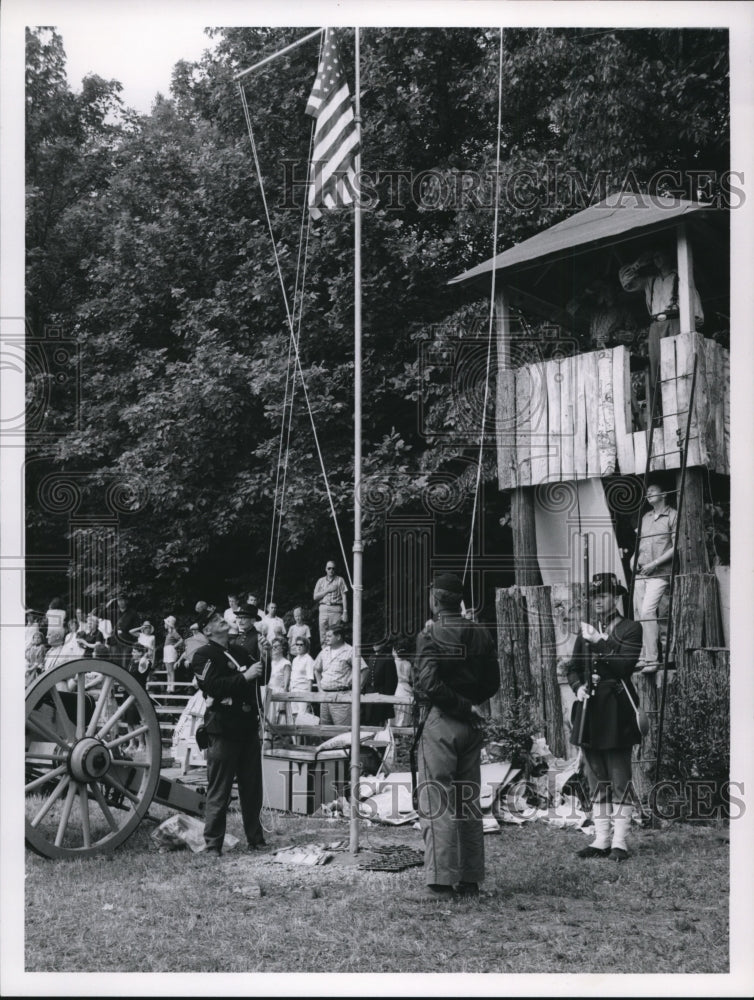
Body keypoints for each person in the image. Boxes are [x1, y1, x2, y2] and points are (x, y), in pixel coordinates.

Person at [412, 573, 500, 900]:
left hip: (444, 719)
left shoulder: (429, 634)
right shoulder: (480, 632)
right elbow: (492, 682)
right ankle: (470, 880)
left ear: (435, 599)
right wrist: (473, 704)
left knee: (437, 800)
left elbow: (429, 685)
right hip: (471, 724)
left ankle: (439, 883)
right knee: (468, 802)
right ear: (458, 601)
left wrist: (462, 705)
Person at [567, 574, 643, 862]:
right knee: (595, 776)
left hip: (617, 708)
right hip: (590, 709)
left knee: (619, 776)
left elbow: (624, 666)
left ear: (616, 598)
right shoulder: (586, 630)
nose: (598, 600)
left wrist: (600, 643)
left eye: (604, 595)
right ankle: (601, 840)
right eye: (594, 596)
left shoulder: (630, 628)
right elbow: (573, 668)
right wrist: (578, 687)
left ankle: (620, 842)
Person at [191, 607, 266, 856]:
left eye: (219, 616)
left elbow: (261, 678)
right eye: (214, 620)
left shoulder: (239, 650)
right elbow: (213, 686)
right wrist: (244, 677)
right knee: (219, 790)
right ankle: (213, 845)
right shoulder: (203, 655)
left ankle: (256, 838)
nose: (221, 620)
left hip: (246, 725)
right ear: (207, 630)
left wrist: (265, 657)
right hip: (222, 728)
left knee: (252, 788)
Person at [619, 246, 704, 396]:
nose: (656, 259)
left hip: (675, 321)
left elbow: (693, 299)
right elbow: (627, 283)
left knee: (678, 363)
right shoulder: (650, 281)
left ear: (668, 256)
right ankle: (662, 401)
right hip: (655, 326)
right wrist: (638, 264)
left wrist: (692, 323)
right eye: (654, 257)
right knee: (657, 366)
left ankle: (682, 396)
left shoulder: (680, 275)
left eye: (660, 255)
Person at [631, 483, 677, 672]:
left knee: (648, 611)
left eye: (653, 490)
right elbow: (640, 544)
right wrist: (634, 560)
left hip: (659, 573)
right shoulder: (646, 517)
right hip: (642, 573)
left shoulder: (673, 516)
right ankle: (643, 657)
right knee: (637, 614)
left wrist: (654, 564)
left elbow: (676, 547)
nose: (648, 493)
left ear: (664, 493)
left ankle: (653, 659)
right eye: (647, 491)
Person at [312, 622, 364, 726]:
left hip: (342, 698)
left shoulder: (350, 651)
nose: (326, 638)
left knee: (342, 731)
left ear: (339, 636)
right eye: (326, 636)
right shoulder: (324, 651)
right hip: (325, 697)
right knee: (325, 730)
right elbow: (316, 669)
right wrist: (319, 688)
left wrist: (357, 690)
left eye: (329, 636)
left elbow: (363, 670)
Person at [361, 640, 397, 726]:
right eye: (373, 643)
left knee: (379, 718)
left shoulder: (388, 658)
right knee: (368, 717)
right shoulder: (371, 657)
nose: (374, 645)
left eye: (377, 643)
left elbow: (391, 680)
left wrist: (388, 697)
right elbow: (367, 676)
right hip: (370, 691)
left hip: (381, 691)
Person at [313, 561, 349, 646]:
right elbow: (315, 597)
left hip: (336, 609)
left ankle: (336, 652)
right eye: (329, 568)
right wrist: (327, 590)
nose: (331, 570)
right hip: (323, 608)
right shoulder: (320, 581)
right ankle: (325, 653)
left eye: (333, 568)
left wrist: (345, 612)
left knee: (335, 632)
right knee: (323, 633)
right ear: (325, 569)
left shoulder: (340, 580)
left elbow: (344, 596)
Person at [264, 637, 293, 730]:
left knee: (279, 721)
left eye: (276, 646)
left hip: (279, 694)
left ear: (283, 648)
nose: (273, 648)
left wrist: (283, 703)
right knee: (266, 720)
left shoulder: (286, 663)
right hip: (268, 693)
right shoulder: (270, 662)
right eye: (273, 646)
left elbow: (286, 685)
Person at [289, 637, 316, 719]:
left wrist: (308, 698)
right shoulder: (295, 660)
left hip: (303, 691)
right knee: (294, 716)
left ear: (306, 646)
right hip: (293, 691)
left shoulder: (309, 660)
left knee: (302, 717)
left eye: (301, 645)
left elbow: (310, 679)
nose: (299, 647)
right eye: (297, 644)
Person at [392, 637, 414, 728]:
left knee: (395, 719)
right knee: (405, 719)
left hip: (396, 690)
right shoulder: (408, 664)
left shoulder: (393, 663)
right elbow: (412, 679)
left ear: (395, 651)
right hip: (407, 691)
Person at [161, 616, 183, 693]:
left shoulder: (174, 632)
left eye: (166, 623)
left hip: (170, 650)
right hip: (166, 650)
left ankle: (172, 686)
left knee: (171, 670)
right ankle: (168, 686)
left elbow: (181, 640)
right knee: (168, 670)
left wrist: (174, 646)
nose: (164, 624)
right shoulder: (169, 633)